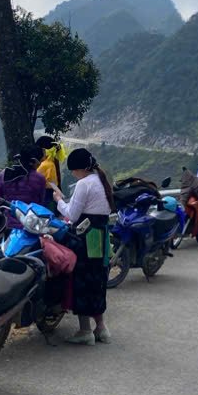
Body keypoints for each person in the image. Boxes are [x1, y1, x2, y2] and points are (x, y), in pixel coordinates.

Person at [46, 146, 114, 345]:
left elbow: (72, 215)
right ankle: (101, 328)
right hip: (100, 237)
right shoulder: (101, 180)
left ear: (79, 169)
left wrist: (59, 200)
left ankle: (85, 331)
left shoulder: (84, 184)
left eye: (73, 171)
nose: (73, 174)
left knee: (81, 281)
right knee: (97, 280)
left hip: (85, 238)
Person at [0, 145, 47, 228]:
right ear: (34, 161)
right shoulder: (39, 178)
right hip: (30, 224)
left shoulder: (3, 175)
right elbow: (41, 202)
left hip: (8, 224)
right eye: (40, 161)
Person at [36, 136, 65, 211]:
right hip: (51, 197)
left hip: (47, 198)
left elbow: (51, 183)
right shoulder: (51, 163)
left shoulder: (46, 165)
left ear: (43, 151)